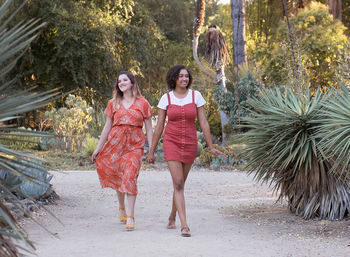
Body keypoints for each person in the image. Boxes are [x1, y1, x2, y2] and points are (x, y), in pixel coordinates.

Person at [146, 64, 226, 237]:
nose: (184, 79)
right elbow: (159, 125)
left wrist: (211, 146)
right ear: (174, 78)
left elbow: (203, 122)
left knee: (180, 183)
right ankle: (184, 226)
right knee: (178, 182)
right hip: (171, 142)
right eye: (181, 76)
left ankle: (173, 215)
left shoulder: (196, 96)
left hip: (190, 143)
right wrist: (151, 150)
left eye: (186, 76)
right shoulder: (165, 98)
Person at [91, 71, 153, 231]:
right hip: (115, 144)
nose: (121, 83)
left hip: (135, 145)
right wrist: (98, 148)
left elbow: (149, 128)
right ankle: (121, 207)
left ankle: (130, 217)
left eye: (125, 80)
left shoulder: (143, 103)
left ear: (132, 82)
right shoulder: (113, 103)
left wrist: (151, 149)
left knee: (130, 177)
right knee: (119, 176)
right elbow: (107, 126)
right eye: (119, 81)